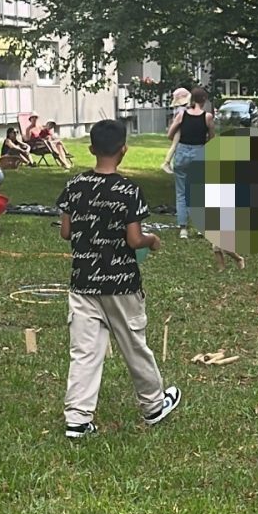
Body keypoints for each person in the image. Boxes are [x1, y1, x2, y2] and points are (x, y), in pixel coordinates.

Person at [56, 118, 181, 439]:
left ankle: (77, 418)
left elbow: (66, 232)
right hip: (121, 284)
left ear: (91, 149)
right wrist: (152, 241)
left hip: (83, 282)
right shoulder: (129, 190)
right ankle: (154, 405)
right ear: (124, 150)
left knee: (84, 350)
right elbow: (135, 239)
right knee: (133, 344)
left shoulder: (74, 186)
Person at [167, 86, 214, 240]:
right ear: (205, 100)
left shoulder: (181, 115)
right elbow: (211, 138)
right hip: (198, 153)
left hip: (181, 154)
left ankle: (183, 229)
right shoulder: (207, 117)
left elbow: (170, 134)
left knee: (181, 193)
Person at [161, 87, 191, 175]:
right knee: (174, 145)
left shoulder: (179, 108)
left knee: (175, 146)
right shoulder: (182, 110)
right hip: (179, 129)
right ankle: (166, 162)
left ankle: (168, 163)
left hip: (179, 129)